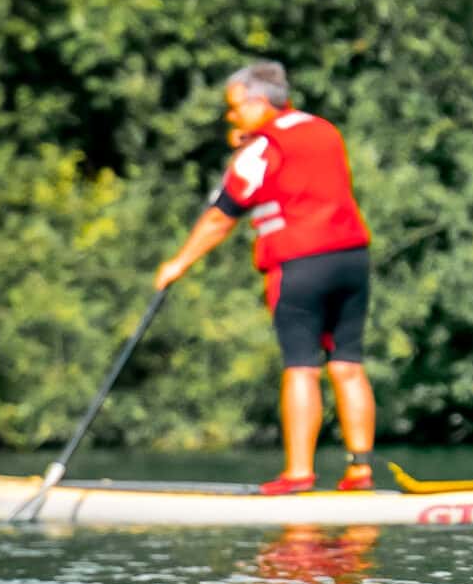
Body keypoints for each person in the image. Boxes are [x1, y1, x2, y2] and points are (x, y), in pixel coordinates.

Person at [153, 61, 379, 496]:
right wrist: (250, 137)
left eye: (235, 108)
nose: (230, 117)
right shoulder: (324, 129)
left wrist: (177, 264)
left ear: (259, 102)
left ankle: (298, 474)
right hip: (352, 258)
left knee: (301, 367)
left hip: (301, 264)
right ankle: (360, 470)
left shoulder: (258, 151)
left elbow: (222, 217)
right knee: (347, 364)